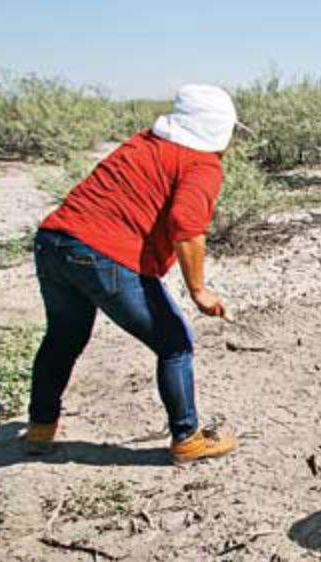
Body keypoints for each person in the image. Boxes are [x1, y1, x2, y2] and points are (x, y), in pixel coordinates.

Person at [24, 84, 242, 464]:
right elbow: (187, 227)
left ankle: (40, 428)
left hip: (53, 243)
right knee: (174, 343)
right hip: (101, 254)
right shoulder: (202, 163)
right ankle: (187, 439)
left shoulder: (143, 143)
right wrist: (198, 290)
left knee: (63, 338)